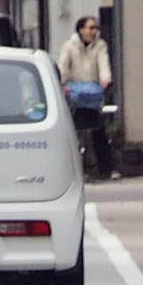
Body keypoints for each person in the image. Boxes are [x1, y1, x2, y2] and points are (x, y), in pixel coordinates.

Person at [56, 14, 117, 181]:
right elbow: (63, 67)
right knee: (71, 132)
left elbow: (103, 63)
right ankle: (69, 171)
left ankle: (106, 169)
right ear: (81, 30)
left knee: (99, 130)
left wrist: (106, 79)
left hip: (93, 95)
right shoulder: (69, 46)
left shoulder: (100, 45)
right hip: (73, 95)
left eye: (95, 28)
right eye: (90, 28)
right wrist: (62, 82)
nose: (93, 31)